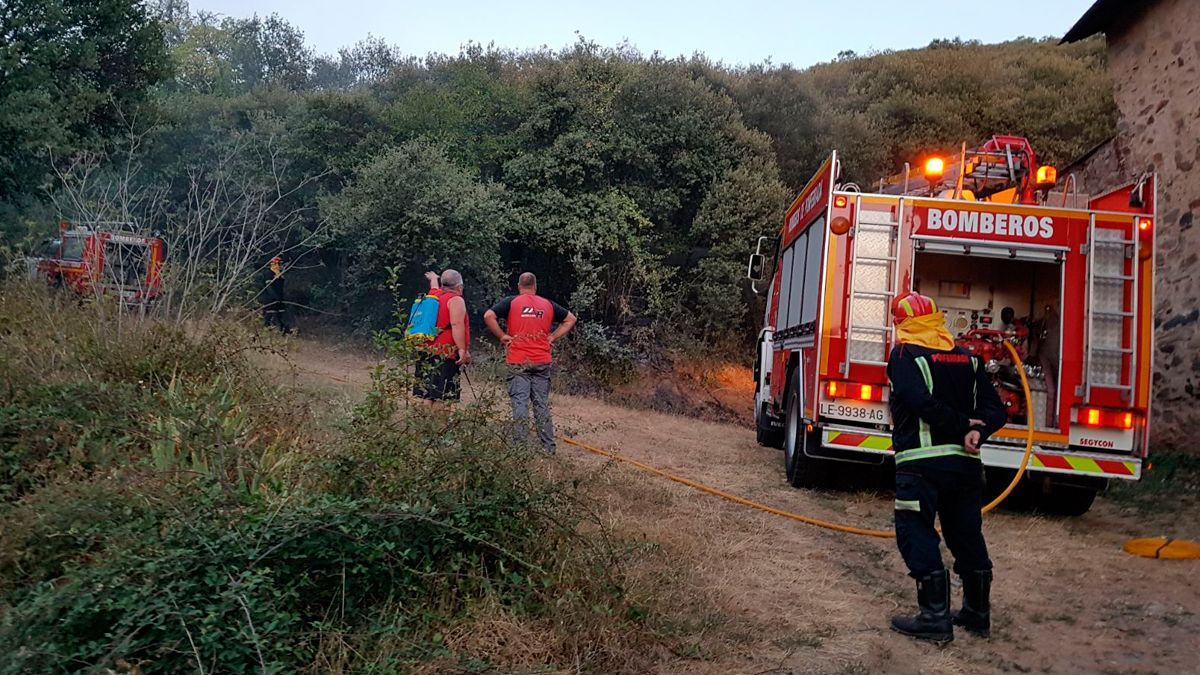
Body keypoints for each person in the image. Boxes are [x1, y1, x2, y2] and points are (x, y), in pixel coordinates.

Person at [886, 291, 1007, 643]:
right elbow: (995, 410)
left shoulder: (905, 354)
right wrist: (976, 430)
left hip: (920, 465)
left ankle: (934, 618)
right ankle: (976, 614)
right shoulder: (967, 359)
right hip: (965, 469)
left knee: (916, 531)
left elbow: (918, 401)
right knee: (966, 534)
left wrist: (960, 426)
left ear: (903, 323)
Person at [483, 272, 577, 453]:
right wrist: (552, 337)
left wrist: (502, 336)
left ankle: (520, 448)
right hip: (542, 360)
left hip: (518, 361)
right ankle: (548, 448)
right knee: (541, 403)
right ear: (535, 286)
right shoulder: (547, 304)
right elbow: (570, 319)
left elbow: (488, 315)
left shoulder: (512, 302)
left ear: (519, 286)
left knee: (520, 402)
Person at [413, 269, 471, 403]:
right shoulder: (455, 299)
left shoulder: (434, 295)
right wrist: (462, 350)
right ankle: (439, 424)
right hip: (445, 354)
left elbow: (433, 287)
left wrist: (433, 278)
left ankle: (425, 423)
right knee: (443, 397)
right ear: (460, 286)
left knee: (427, 395)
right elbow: (456, 325)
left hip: (425, 351)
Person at [262, 256, 291, 333]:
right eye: (280, 264)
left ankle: (284, 331)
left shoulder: (280, 274)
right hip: (270, 299)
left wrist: (280, 298)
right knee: (270, 315)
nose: (281, 266)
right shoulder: (269, 273)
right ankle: (267, 331)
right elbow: (269, 287)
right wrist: (275, 297)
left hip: (279, 298)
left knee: (281, 315)